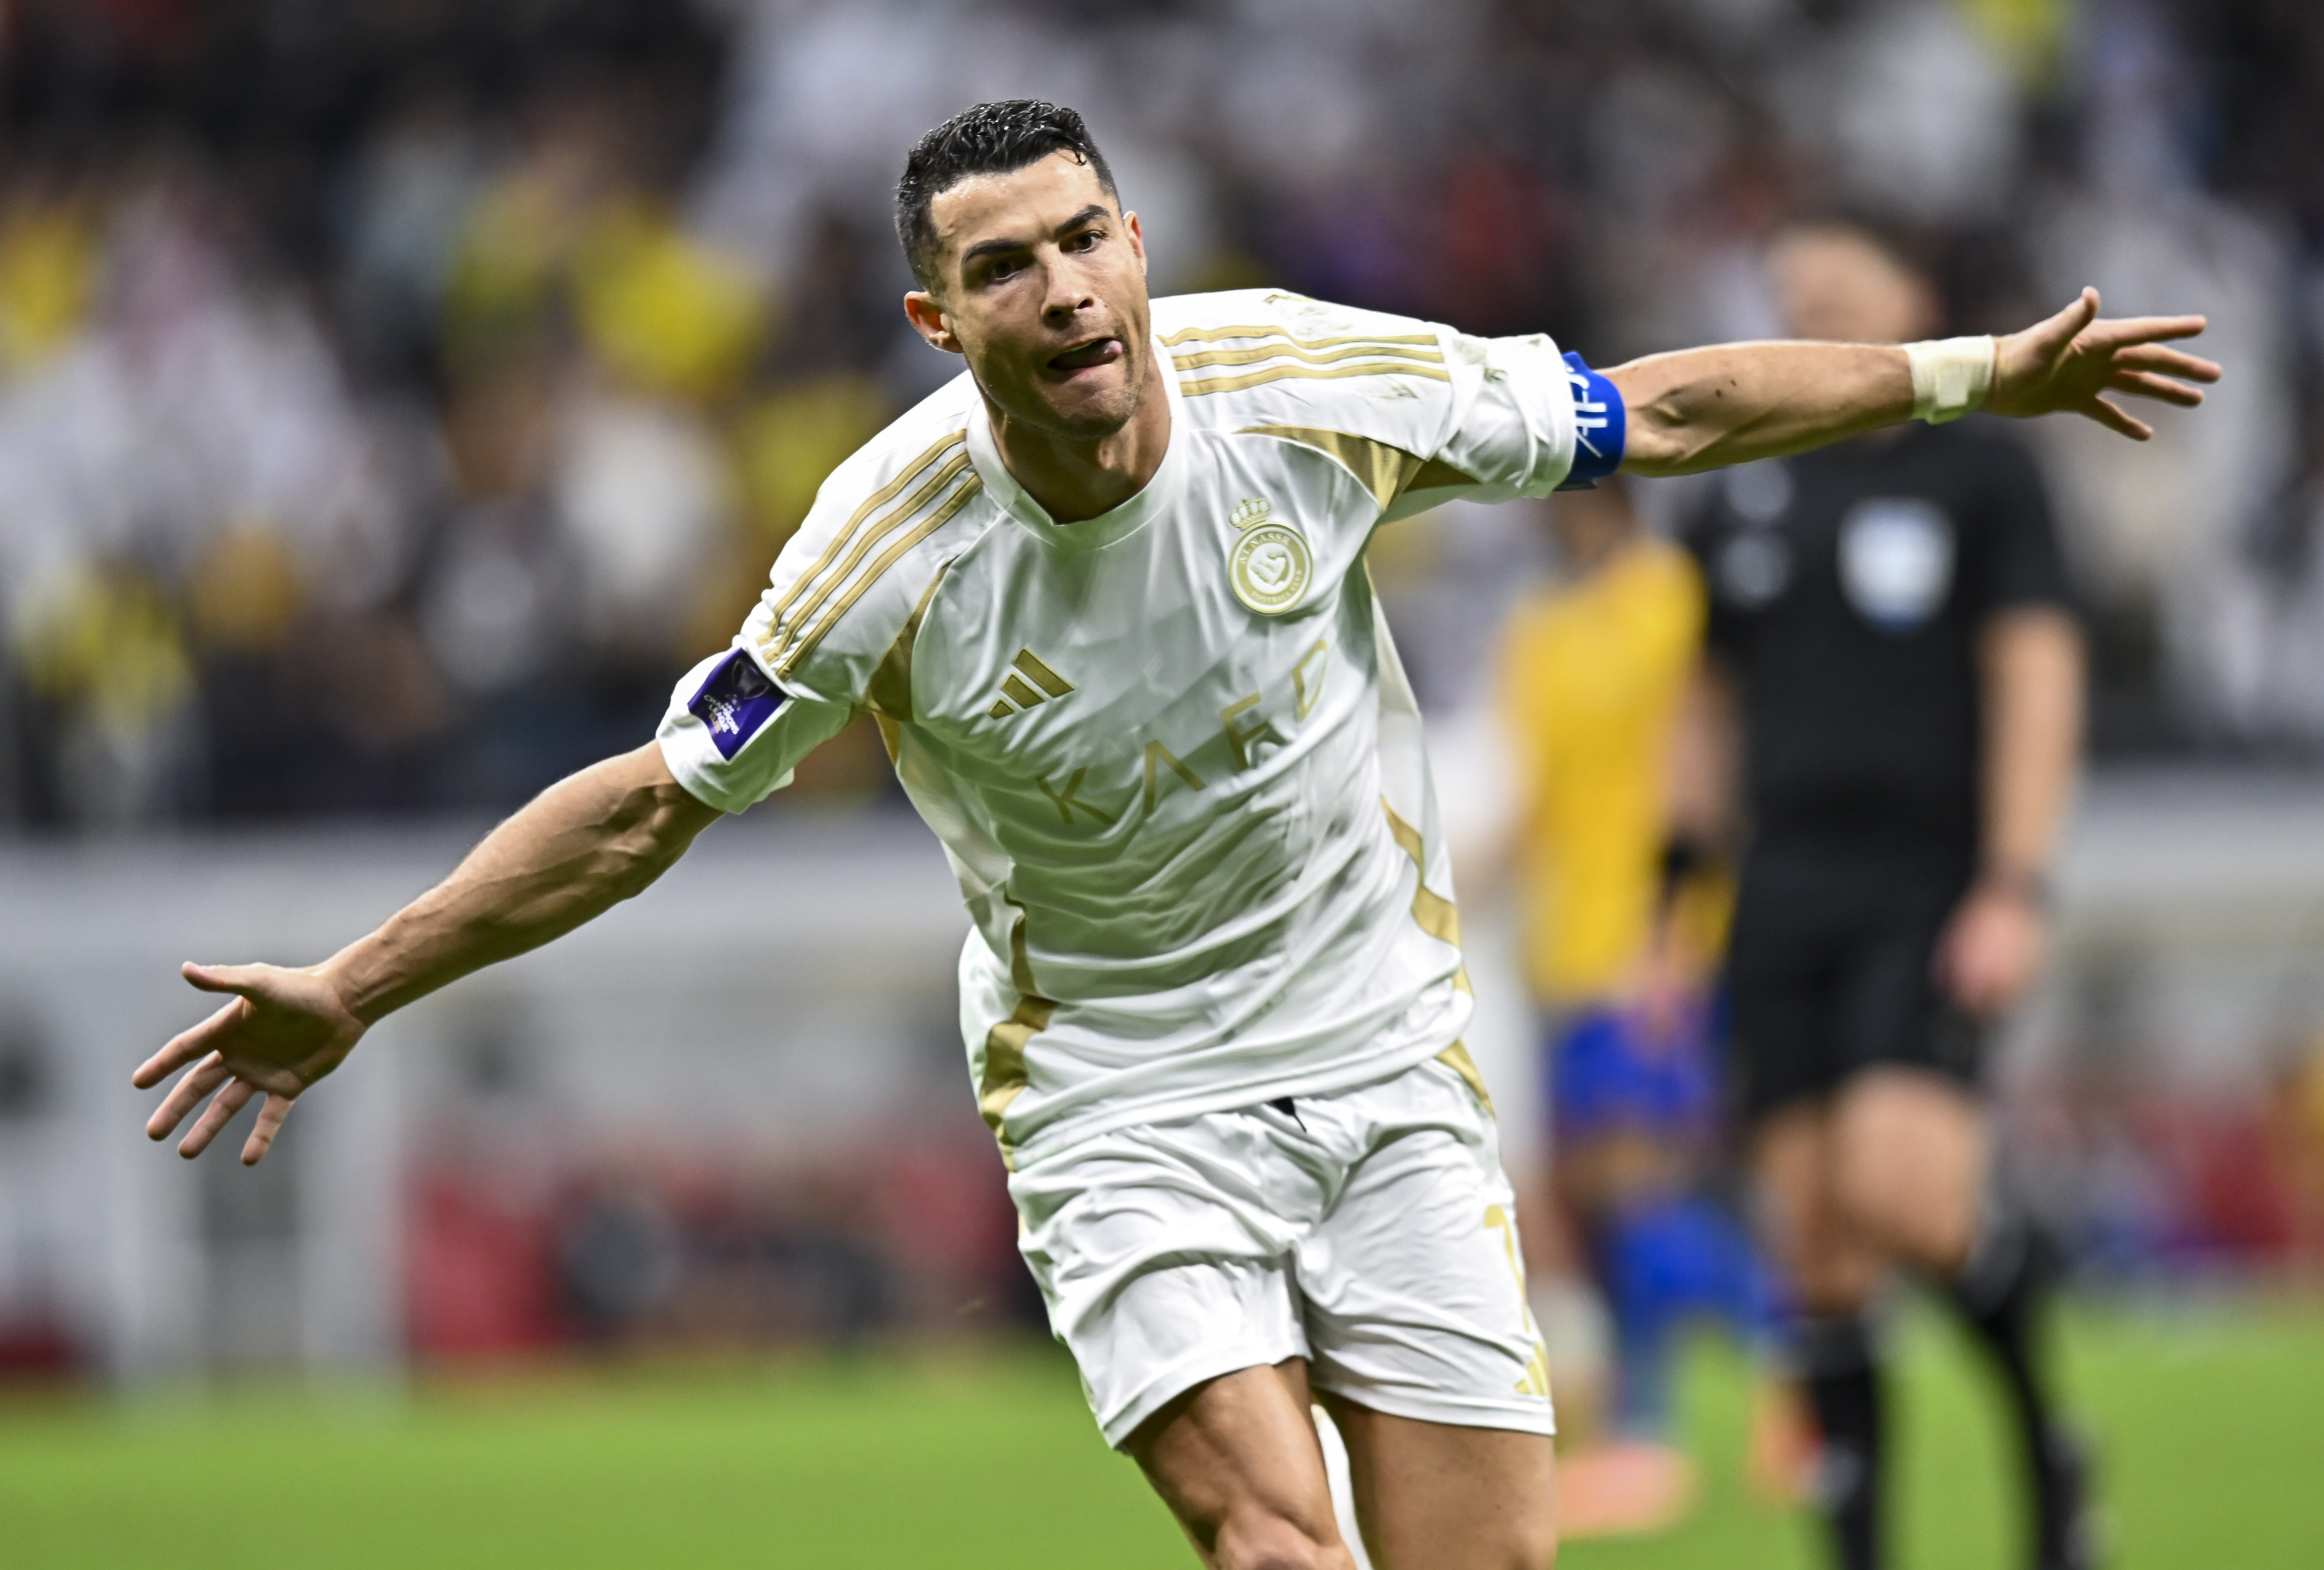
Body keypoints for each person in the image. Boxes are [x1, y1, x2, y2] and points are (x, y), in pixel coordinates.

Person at [133, 103, 2216, 1570]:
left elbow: (1651, 409)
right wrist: (358, 981)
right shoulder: (882, 545)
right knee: (1271, 1533)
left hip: (1387, 1053)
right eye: (998, 267)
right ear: (940, 324)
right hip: (1119, 1092)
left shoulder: (1306, 383)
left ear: (1134, 247)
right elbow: (648, 806)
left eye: (1080, 239)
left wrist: (1967, 375)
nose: (1058, 289)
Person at [1678, 218, 2111, 1570]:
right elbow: (1700, 705)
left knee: (1900, 1194)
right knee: (1809, 1238)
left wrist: (2012, 885)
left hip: (1922, 877)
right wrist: (1665, 904)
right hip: (1777, 885)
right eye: (1785, 276)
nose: (1802, 290)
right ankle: (1856, 1544)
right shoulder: (1744, 484)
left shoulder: (1983, 468)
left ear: (1911, 293)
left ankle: (2047, 1431)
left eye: (1832, 270)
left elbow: (2034, 677)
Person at [1494, 477, 1791, 1534]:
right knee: (1610, 1196)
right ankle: (1692, 1414)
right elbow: (1540, 797)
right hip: (1567, 947)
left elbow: (1703, 770)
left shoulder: (1675, 603)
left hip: (1657, 940)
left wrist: (1675, 932)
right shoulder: (1539, 630)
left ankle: (1732, 1399)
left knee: (1650, 1175)